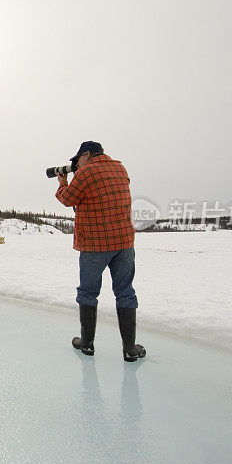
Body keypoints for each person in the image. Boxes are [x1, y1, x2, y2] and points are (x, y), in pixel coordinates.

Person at [54, 141, 146, 362]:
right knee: (125, 291)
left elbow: (68, 199)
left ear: (87, 155)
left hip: (95, 244)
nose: (76, 163)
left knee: (88, 292)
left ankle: (87, 344)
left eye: (77, 159)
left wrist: (62, 181)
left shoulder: (86, 172)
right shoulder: (120, 168)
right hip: (124, 243)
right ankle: (130, 350)